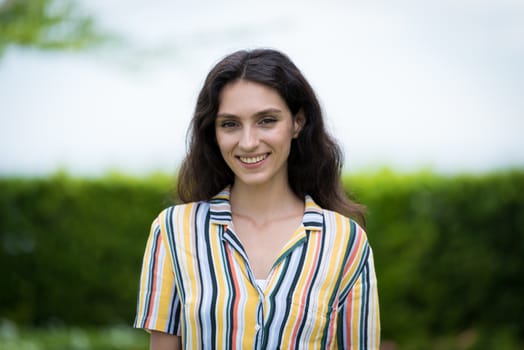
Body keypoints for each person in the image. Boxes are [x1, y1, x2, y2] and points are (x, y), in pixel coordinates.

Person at [134, 48, 380, 349]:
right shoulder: (173, 230)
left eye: (266, 121)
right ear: (213, 132)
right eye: (230, 124)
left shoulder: (345, 241)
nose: (248, 142)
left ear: (297, 122)